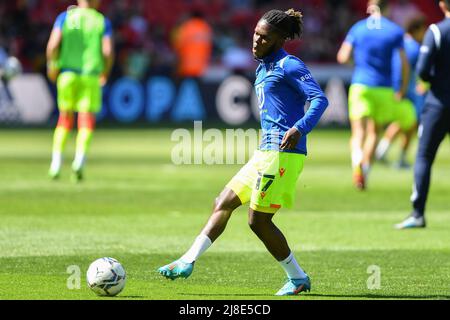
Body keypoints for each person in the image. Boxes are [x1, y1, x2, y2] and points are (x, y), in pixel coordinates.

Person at [158, 9, 329, 296]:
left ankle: (298, 278)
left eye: (264, 38)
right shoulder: (262, 67)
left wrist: (300, 128)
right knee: (222, 201)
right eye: (255, 35)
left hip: (284, 153)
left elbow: (319, 100)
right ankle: (187, 260)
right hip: (265, 151)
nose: (256, 42)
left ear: (278, 39)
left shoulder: (290, 65)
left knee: (257, 221)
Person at [337, 0, 410, 190]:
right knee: (373, 132)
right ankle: (366, 170)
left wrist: (358, 66)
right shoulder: (395, 30)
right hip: (384, 88)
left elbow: (342, 57)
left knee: (357, 132)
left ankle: (356, 165)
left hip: (361, 85)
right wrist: (402, 88)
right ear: (387, 8)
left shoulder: (358, 28)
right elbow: (403, 63)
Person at [395, 0, 450, 229]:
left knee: (424, 157)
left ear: (442, 4)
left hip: (438, 103)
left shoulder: (436, 31)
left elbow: (424, 70)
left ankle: (418, 214)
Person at [46, 0, 114, 182]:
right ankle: (78, 163)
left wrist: (52, 66)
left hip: (67, 74)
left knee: (64, 119)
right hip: (90, 76)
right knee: (86, 121)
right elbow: (107, 51)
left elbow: (52, 46)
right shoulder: (101, 21)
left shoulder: (65, 17)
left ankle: (56, 163)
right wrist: (105, 71)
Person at [376, 15, 428, 169]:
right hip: (408, 93)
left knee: (403, 123)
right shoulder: (414, 48)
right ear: (416, 30)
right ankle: (397, 156)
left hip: (396, 89)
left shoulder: (400, 44)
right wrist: (402, 89)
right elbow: (409, 70)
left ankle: (383, 151)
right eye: (423, 30)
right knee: (409, 124)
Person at [172, 10, 212, 78]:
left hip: (186, 66)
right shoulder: (206, 28)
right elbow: (209, 47)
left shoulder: (186, 27)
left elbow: (177, 45)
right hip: (202, 67)